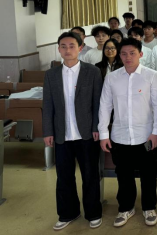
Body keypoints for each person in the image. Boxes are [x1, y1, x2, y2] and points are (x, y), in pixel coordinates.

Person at [98, 38, 157, 228]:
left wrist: (156, 132)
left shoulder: (152, 76)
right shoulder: (112, 78)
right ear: (119, 55)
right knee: (123, 174)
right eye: (124, 53)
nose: (128, 57)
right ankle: (126, 208)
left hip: (146, 136)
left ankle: (149, 207)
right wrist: (103, 133)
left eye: (132, 53)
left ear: (140, 54)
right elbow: (105, 106)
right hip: (120, 136)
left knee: (148, 174)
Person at [43, 32, 104, 231]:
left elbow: (98, 103)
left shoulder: (92, 71)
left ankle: (93, 213)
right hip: (62, 134)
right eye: (63, 46)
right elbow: (48, 105)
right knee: (64, 177)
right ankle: (68, 213)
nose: (67, 50)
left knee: (90, 175)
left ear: (80, 48)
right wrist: (48, 131)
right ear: (59, 49)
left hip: (87, 134)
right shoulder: (51, 74)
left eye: (71, 46)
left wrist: (96, 127)